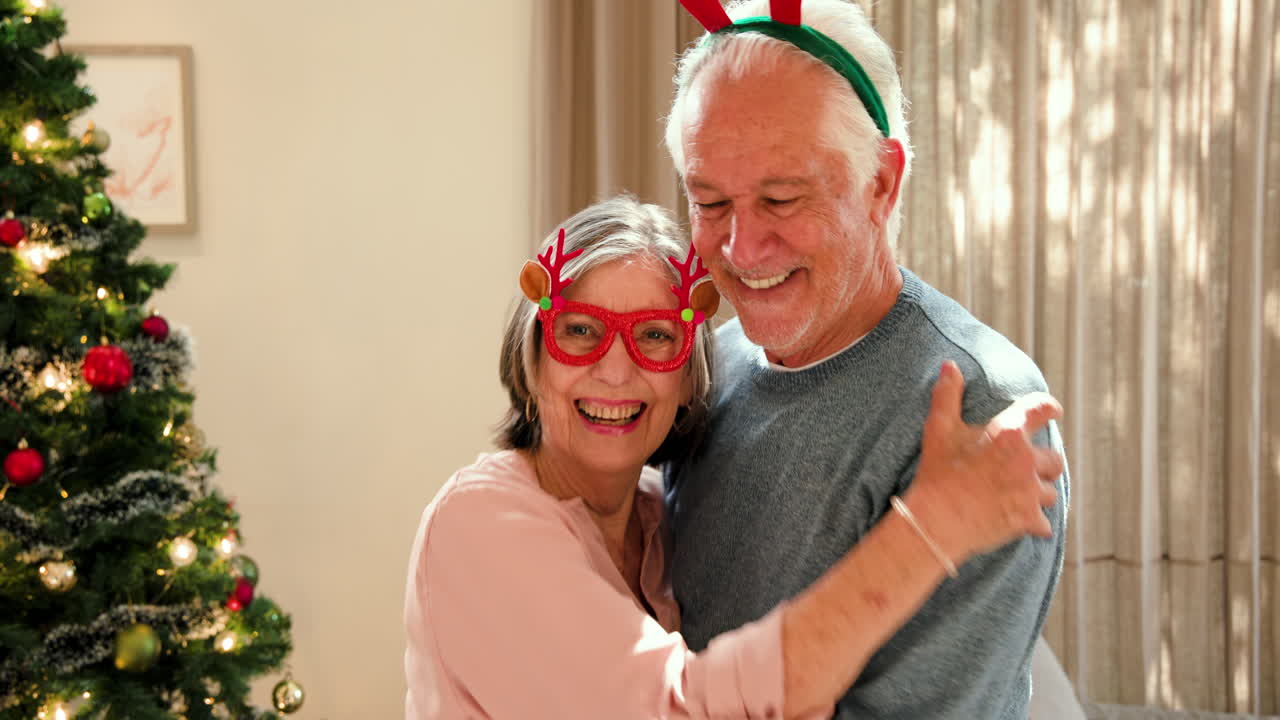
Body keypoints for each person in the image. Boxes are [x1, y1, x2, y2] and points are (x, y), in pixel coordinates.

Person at [403, 195, 1064, 719]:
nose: (615, 370)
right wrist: (930, 529)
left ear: (689, 373)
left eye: (655, 337)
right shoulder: (479, 525)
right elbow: (684, 709)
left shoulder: (666, 515)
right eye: (581, 331)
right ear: (533, 351)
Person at [662, 1, 1071, 718]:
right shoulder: (698, 372)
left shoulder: (980, 417)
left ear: (882, 183)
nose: (741, 248)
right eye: (711, 202)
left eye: (782, 198)